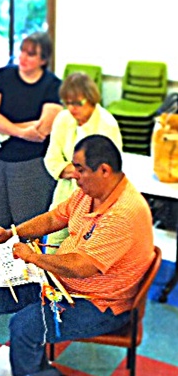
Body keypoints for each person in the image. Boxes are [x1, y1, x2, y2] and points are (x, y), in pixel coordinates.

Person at [0, 135, 154, 376]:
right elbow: (54, 218)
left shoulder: (123, 214)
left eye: (80, 169)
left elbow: (81, 266)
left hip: (98, 304)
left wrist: (33, 258)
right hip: (60, 282)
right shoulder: (91, 192)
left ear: (104, 170)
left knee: (25, 327)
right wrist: (12, 233)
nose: (74, 175)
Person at [0, 31, 63, 228]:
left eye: (31, 54)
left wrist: (2, 127)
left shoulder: (53, 85)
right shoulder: (4, 75)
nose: (23, 57)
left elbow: (43, 129)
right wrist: (22, 131)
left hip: (32, 163)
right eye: (22, 51)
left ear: (43, 60)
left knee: (28, 228)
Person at [44, 72, 123, 251]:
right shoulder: (63, 118)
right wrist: (83, 171)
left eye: (78, 103)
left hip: (94, 204)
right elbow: (51, 160)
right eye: (67, 103)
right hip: (63, 198)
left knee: (81, 255)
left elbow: (108, 172)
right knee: (52, 250)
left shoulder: (107, 125)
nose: (72, 108)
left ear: (91, 98)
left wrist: (70, 170)